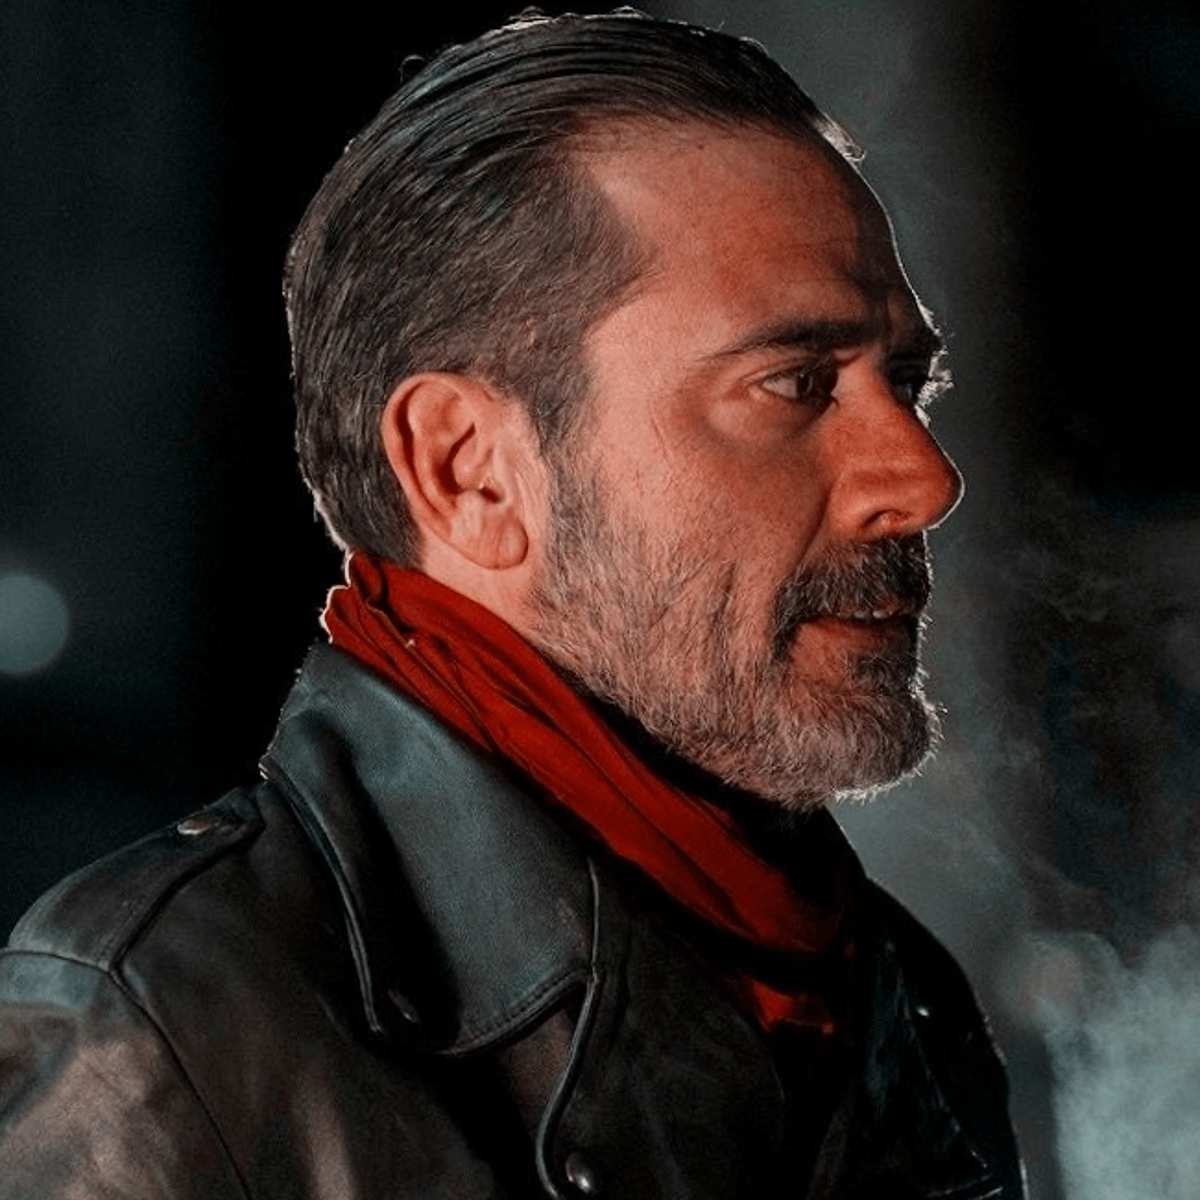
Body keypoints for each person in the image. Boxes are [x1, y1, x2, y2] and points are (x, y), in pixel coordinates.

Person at [0, 10, 1025, 1198]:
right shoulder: (166, 1038)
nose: (923, 479)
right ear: (470, 471)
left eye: (907, 384)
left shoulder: (901, 1005)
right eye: (796, 382)